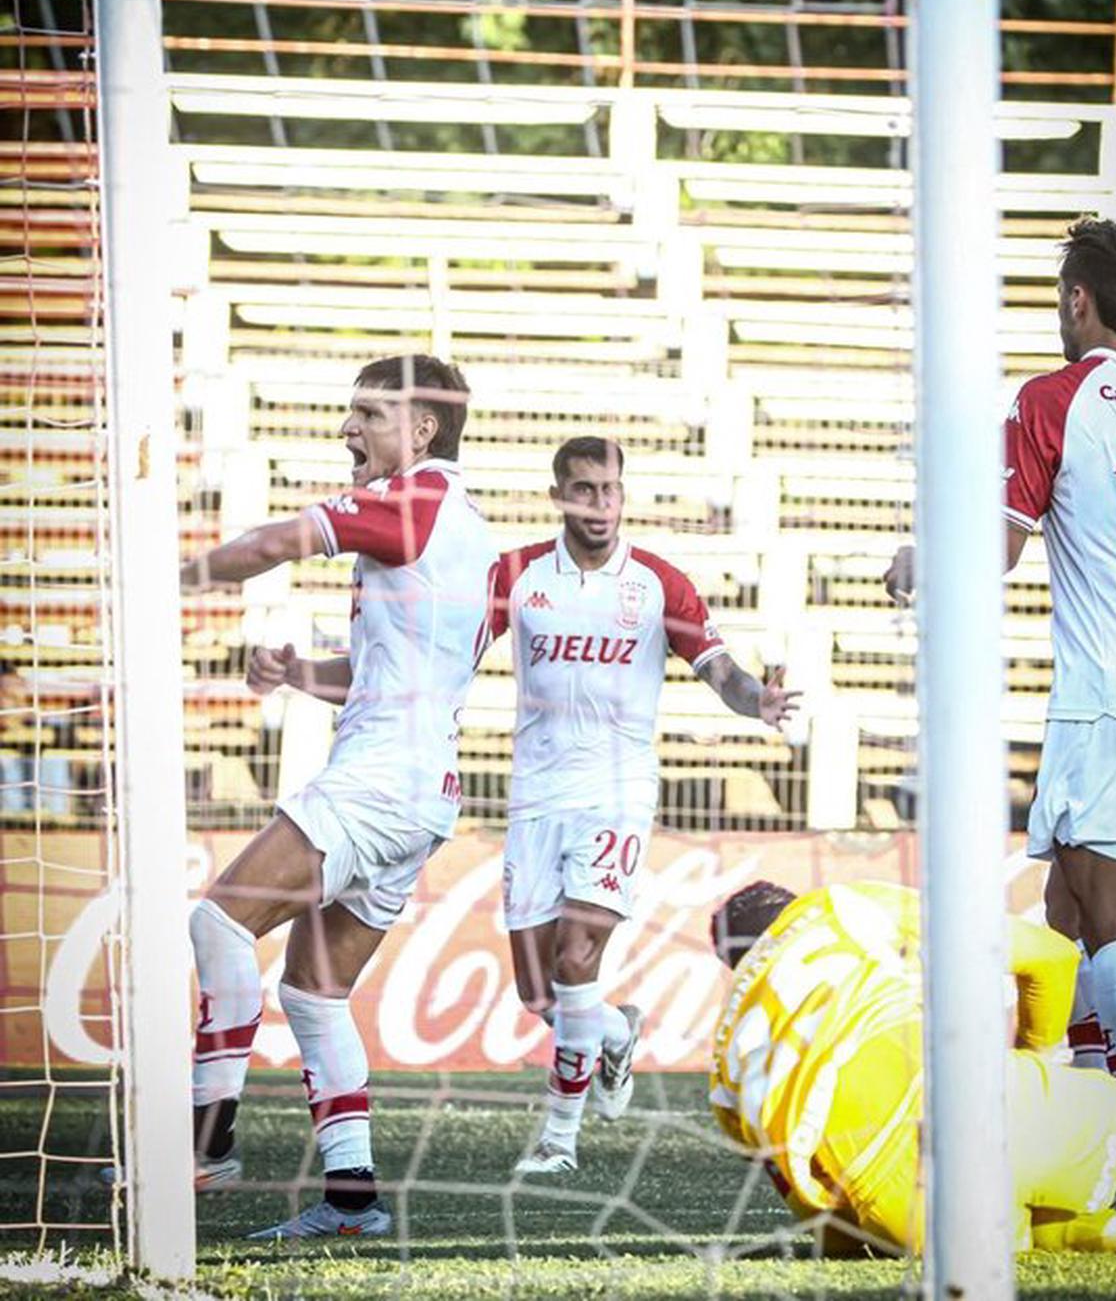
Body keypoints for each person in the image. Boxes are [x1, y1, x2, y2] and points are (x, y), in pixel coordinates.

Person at [884, 218, 1116, 1211]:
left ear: (1079, 301)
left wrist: (917, 565)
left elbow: (999, 546)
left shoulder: (1053, 398)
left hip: (1113, 695)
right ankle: (1090, 1141)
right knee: (1066, 913)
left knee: (1112, 928)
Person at [180, 354, 495, 1240]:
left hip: (378, 781)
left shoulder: (416, 503)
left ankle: (205, 1141)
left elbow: (279, 541)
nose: (347, 430)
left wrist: (166, 583)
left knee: (218, 924)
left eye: (366, 414)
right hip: (424, 792)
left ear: (422, 429)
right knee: (316, 995)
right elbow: (402, 671)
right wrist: (298, 673)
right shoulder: (471, 533)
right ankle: (353, 1199)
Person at [485, 436, 801, 1175]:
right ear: (559, 494)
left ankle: (559, 1140)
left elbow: (718, 669)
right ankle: (616, 1032)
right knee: (540, 994)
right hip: (535, 794)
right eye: (586, 490)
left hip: (616, 791)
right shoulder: (517, 574)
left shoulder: (658, 583)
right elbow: (455, 650)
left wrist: (760, 702)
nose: (601, 504)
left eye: (612, 489)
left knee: (575, 956)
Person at [709, 877, 1116, 1261]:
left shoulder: (726, 1054)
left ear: (737, 965)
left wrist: (887, 1230)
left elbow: (819, 1218)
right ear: (794, 904)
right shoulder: (842, 906)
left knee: (1024, 1224)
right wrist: (1035, 1059)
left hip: (903, 1214)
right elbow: (1051, 957)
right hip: (977, 1108)